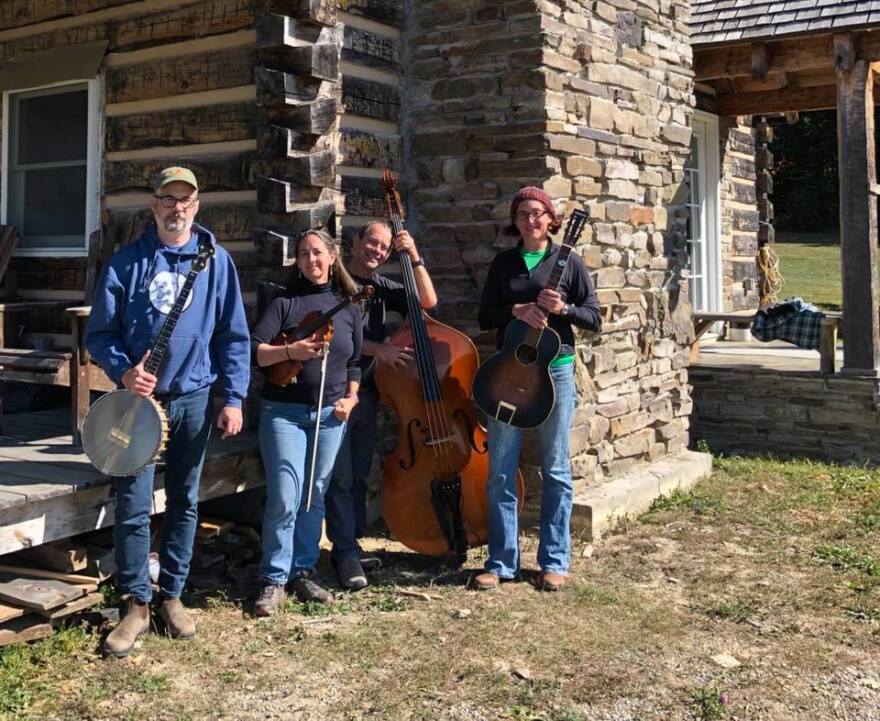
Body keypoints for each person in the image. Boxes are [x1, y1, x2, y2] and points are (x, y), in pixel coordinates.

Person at [86, 167, 250, 657]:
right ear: (153, 205)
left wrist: (235, 397)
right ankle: (135, 603)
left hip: (195, 398)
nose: (176, 207)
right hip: (138, 404)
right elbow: (99, 333)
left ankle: (172, 594)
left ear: (196, 205)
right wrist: (122, 371)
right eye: (167, 199)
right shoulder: (128, 262)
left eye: (185, 199)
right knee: (133, 503)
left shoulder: (217, 262)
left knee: (185, 500)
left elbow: (233, 335)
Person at [474, 187, 602, 592]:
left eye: (538, 213)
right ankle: (501, 561)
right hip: (507, 374)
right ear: (515, 221)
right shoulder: (504, 263)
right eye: (523, 213)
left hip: (555, 375)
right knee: (499, 471)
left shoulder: (569, 262)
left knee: (556, 470)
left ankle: (554, 560)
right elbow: (484, 316)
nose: (530, 220)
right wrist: (515, 309)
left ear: (552, 219)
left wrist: (563, 309)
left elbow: (593, 317)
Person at [252, 229, 363, 616]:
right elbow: (256, 352)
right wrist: (291, 350)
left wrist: (351, 397)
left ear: (333, 256)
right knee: (286, 496)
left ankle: (302, 570)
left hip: (331, 414)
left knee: (314, 494)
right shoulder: (285, 303)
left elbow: (354, 362)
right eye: (303, 254)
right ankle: (273, 578)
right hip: (284, 412)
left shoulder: (348, 307)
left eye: (317, 252)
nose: (310, 260)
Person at [325, 221, 438, 590]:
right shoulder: (332, 282)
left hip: (367, 393)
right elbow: (335, 338)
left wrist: (414, 255)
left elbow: (427, 302)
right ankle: (343, 553)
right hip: (333, 393)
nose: (377, 251)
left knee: (357, 473)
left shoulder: (381, 287)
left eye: (385, 248)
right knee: (340, 477)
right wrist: (380, 349)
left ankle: (351, 545)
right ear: (355, 242)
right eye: (371, 242)